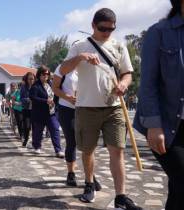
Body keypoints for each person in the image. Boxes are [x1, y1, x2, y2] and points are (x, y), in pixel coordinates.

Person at [60, 8, 142, 209]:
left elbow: (127, 73)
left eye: (111, 29)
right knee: (88, 150)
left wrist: (123, 84)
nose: (106, 33)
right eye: (102, 28)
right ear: (93, 26)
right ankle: (89, 184)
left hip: (113, 107)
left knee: (118, 150)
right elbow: (63, 70)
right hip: (87, 107)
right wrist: (80, 58)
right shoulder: (79, 46)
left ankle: (120, 197)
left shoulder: (119, 46)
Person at [134, 1, 184, 209]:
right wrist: (154, 125)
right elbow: (148, 83)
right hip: (168, 127)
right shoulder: (160, 32)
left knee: (178, 191)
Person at [52, 65, 82, 186]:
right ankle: (71, 173)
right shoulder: (62, 68)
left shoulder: (86, 68)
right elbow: (55, 88)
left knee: (87, 142)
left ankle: (90, 176)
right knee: (72, 141)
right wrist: (67, 97)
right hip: (66, 108)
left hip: (85, 108)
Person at [29, 65, 64, 157]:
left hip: (51, 113)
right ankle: (37, 147)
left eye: (47, 74)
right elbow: (33, 97)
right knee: (38, 132)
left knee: (55, 130)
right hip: (39, 113)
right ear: (39, 75)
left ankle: (58, 150)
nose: (46, 76)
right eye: (44, 74)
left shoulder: (51, 84)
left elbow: (56, 95)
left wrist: (55, 102)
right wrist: (45, 101)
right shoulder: (35, 86)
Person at [20, 72, 35, 147]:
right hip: (26, 109)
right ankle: (26, 139)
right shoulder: (23, 87)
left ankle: (34, 141)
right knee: (27, 126)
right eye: (29, 79)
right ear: (26, 79)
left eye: (32, 79)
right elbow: (21, 98)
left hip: (35, 110)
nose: (31, 81)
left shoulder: (36, 86)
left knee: (35, 126)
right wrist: (29, 100)